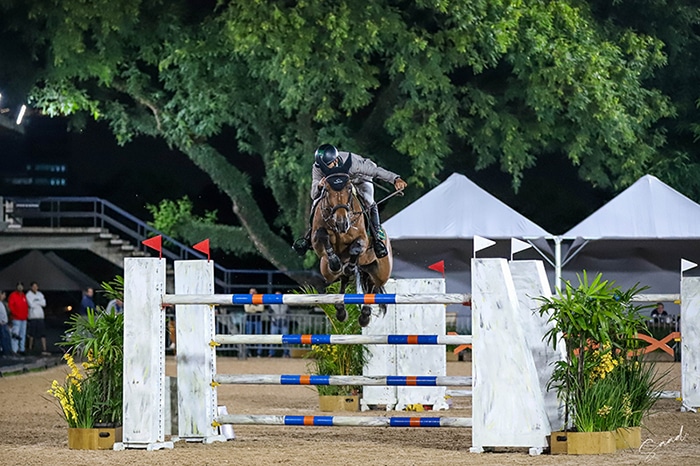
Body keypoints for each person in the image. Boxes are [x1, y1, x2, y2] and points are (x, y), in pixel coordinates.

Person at [293, 144, 408, 259]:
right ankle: (309, 236)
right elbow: (313, 194)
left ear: (336, 160)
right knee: (317, 202)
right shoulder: (318, 167)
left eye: (328, 166)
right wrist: (319, 186)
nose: (325, 170)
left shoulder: (352, 164)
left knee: (368, 199)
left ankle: (376, 235)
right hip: (336, 185)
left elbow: (375, 171)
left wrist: (395, 179)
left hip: (360, 179)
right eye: (323, 167)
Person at [26, 281, 49, 356]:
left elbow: (44, 303)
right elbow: (31, 304)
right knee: (32, 334)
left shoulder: (40, 294)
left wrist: (36, 302)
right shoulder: (28, 295)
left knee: (43, 334)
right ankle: (30, 349)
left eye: (36, 286)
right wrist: (39, 302)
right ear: (31, 287)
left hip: (40, 316)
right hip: (33, 317)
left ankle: (44, 349)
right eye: (34, 286)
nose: (35, 288)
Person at [8, 282, 28, 355]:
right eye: (19, 286)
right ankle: (14, 350)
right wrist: (14, 314)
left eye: (21, 286)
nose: (20, 288)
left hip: (23, 318)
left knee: (23, 334)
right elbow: (11, 306)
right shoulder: (13, 295)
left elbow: (26, 306)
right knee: (15, 335)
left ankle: (22, 349)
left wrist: (26, 315)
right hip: (16, 318)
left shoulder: (23, 295)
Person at [243, 288, 265, 357]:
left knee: (259, 337)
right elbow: (246, 309)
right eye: (251, 292)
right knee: (248, 337)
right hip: (249, 320)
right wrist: (256, 308)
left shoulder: (260, 299)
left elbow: (261, 309)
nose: (252, 293)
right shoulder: (246, 299)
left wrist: (251, 308)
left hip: (258, 321)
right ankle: (248, 352)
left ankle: (259, 353)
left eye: (254, 292)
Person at [268, 291, 290, 358]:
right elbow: (269, 314)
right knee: (273, 339)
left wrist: (287, 321)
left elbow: (288, 313)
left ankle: (286, 353)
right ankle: (271, 353)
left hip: (284, 322)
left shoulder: (286, 304)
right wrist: (272, 320)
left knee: (285, 339)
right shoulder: (271, 304)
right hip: (275, 322)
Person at [0, 291, 14, 357]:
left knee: (7, 338)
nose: (4, 297)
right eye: (3, 295)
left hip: (5, 323)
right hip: (2, 324)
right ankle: (5, 352)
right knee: (4, 338)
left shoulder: (2, 303)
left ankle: (8, 352)